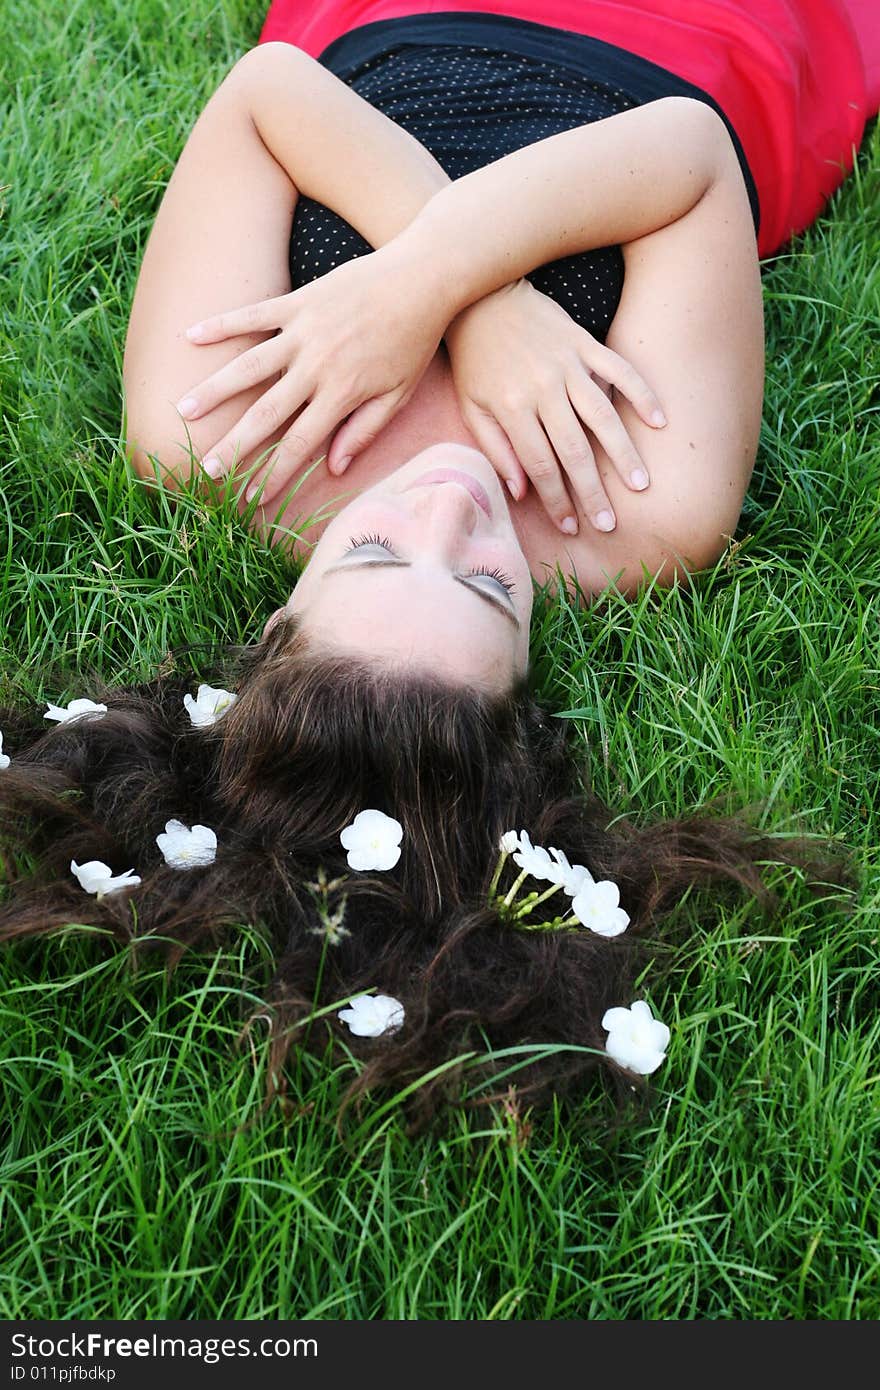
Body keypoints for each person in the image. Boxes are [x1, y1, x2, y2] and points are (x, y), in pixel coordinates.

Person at [0, 0, 868, 1127]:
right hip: (682, 36)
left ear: (277, 623)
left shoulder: (214, 443)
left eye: (370, 552)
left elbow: (269, 93)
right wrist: (476, 305)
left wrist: (427, 296)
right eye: (487, 583)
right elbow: (689, 150)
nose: (447, 508)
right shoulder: (638, 515)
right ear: (526, 674)